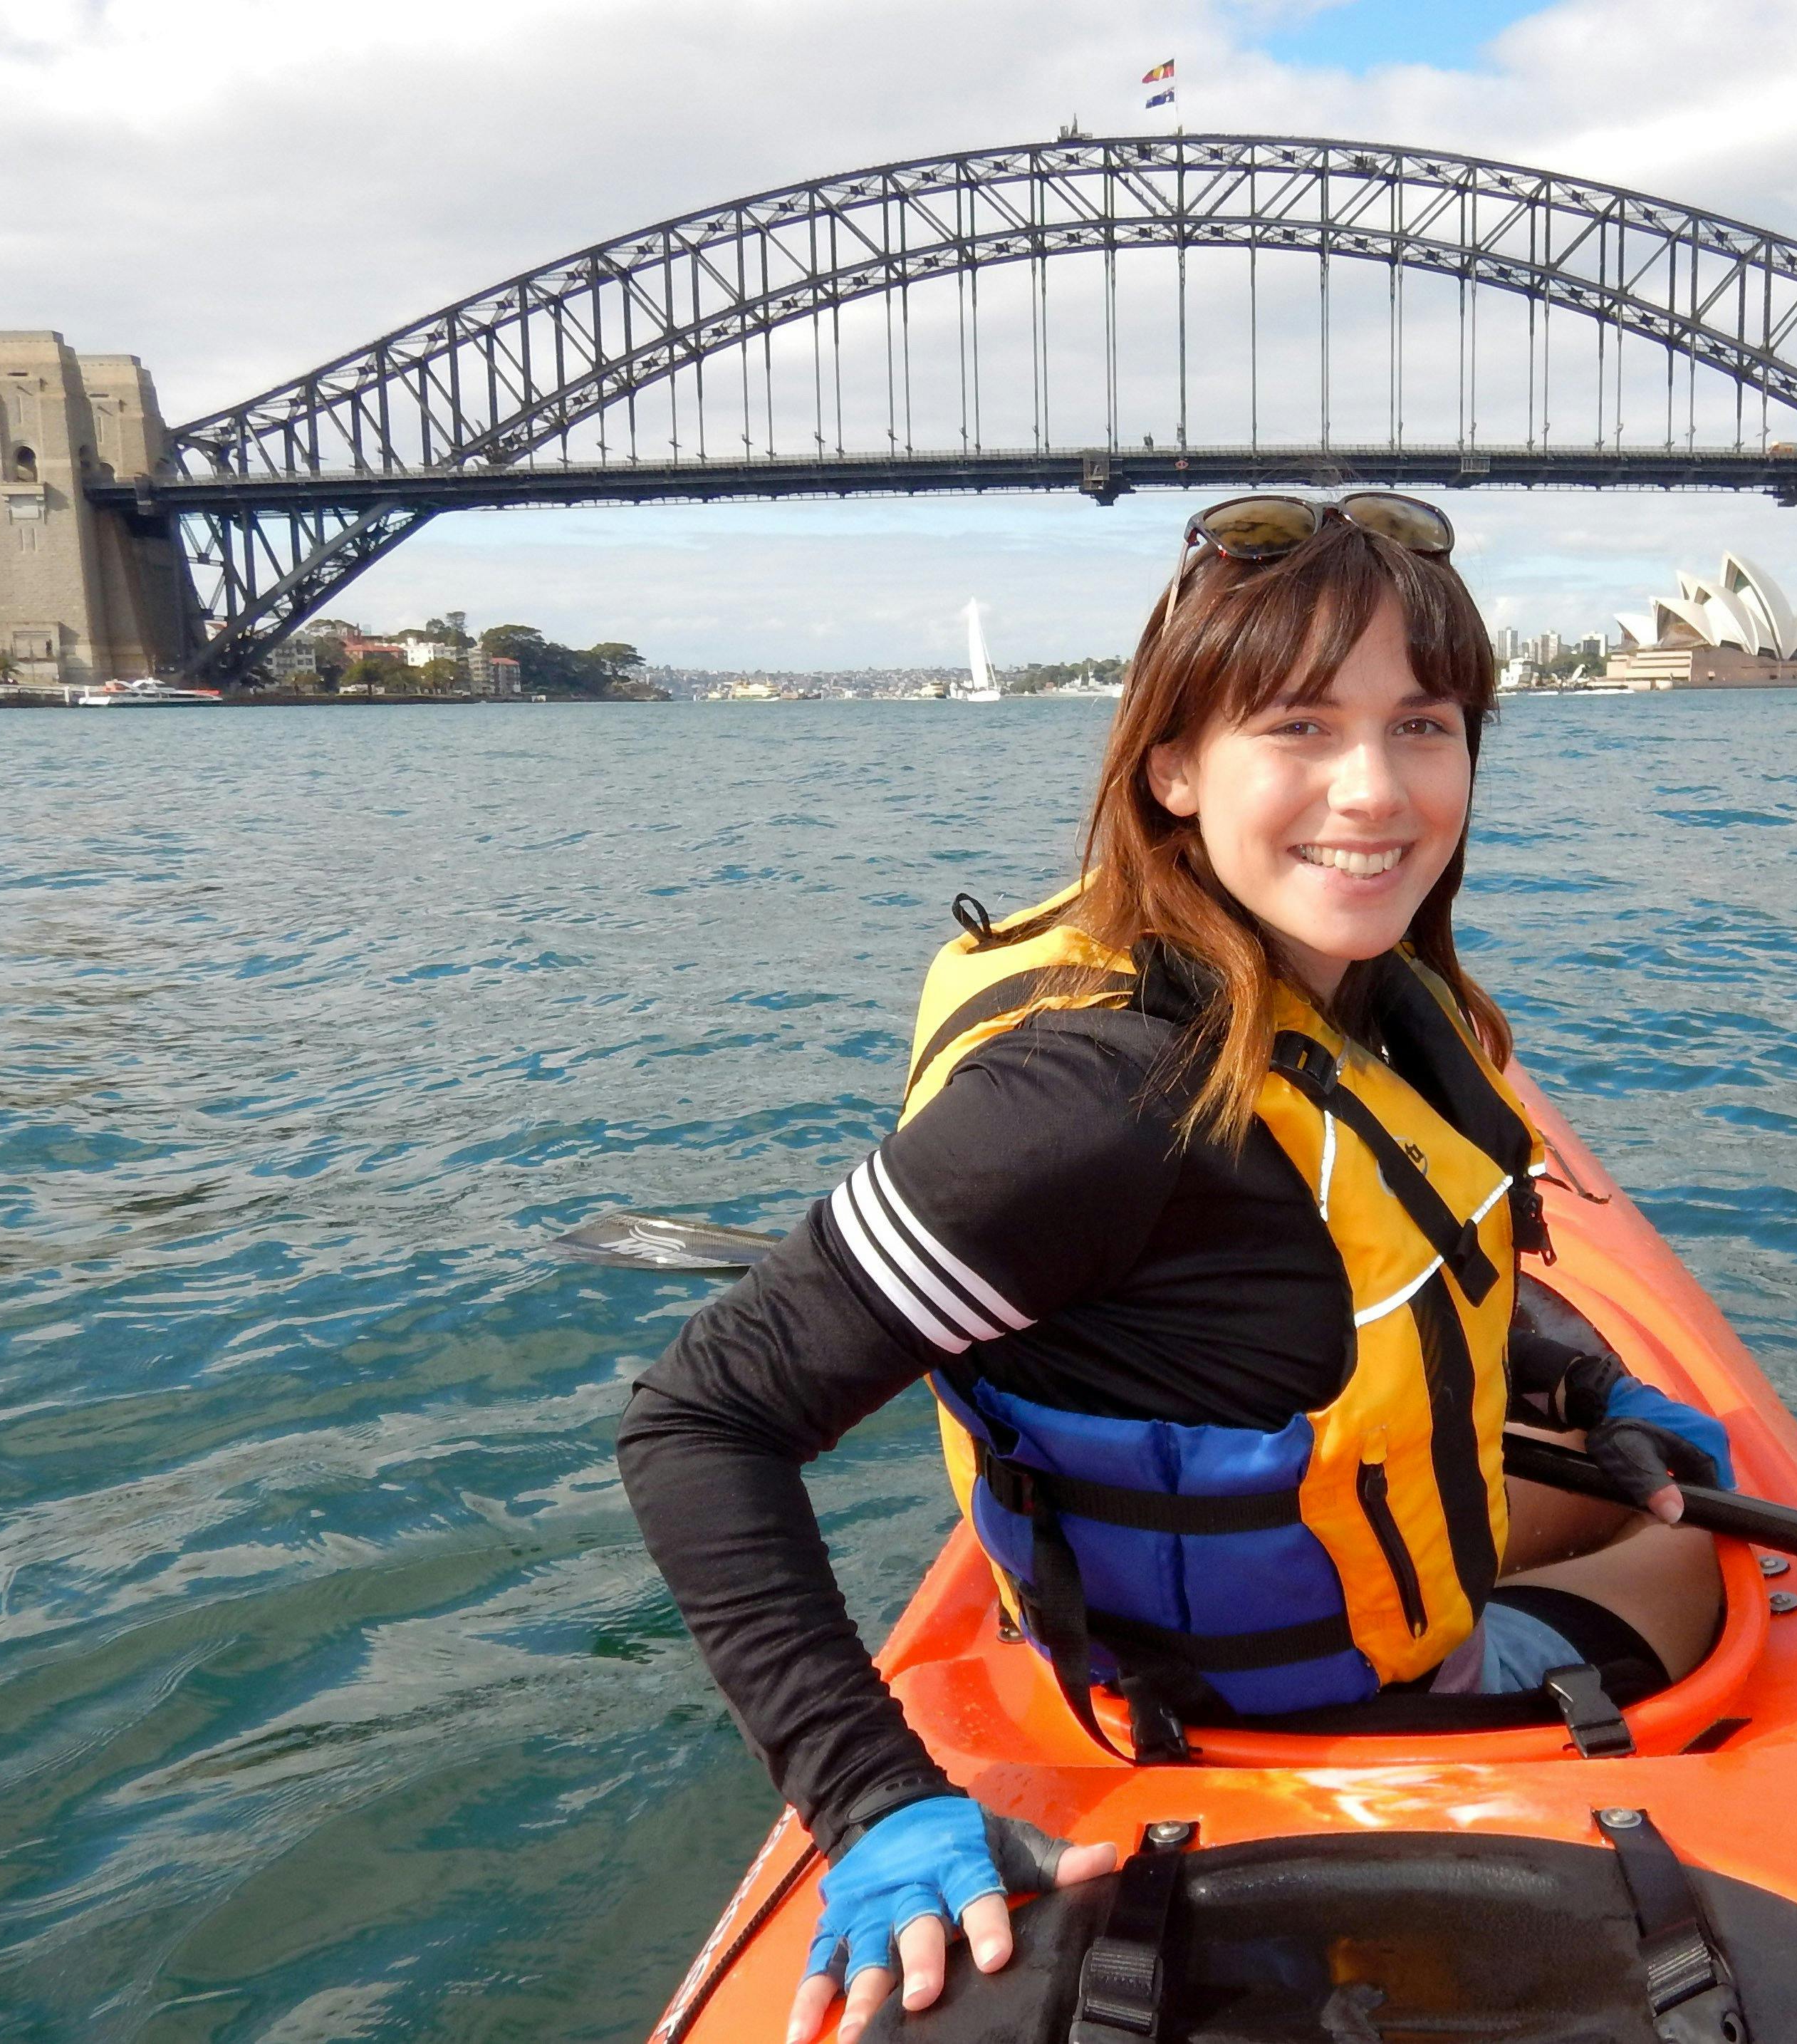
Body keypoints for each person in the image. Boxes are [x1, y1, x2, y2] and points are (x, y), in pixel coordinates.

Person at [619, 492, 1737, 2044]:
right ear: (1172, 767)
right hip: (1279, 1703)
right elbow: (695, 1422)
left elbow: (1416, 1257)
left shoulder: (1343, 993)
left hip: (1252, 1571)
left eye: (1422, 722)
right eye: (1298, 725)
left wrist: (1576, 1378)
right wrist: (869, 1798)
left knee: (1632, 1479)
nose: (1375, 788)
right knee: (1697, 1560)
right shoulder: (1090, 1103)